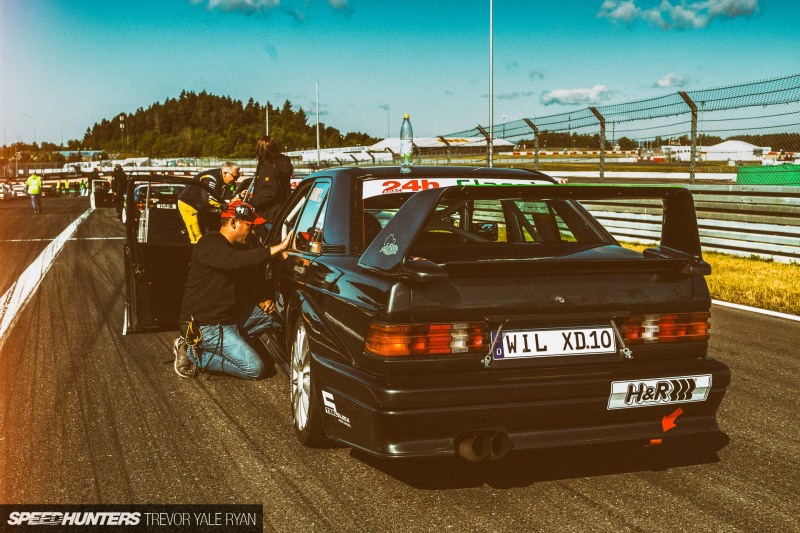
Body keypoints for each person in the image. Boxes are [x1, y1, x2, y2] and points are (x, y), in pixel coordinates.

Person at [173, 199, 293, 379]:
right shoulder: (209, 242)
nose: (253, 231)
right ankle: (192, 353)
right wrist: (277, 248)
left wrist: (264, 296)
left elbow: (250, 277)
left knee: (275, 315)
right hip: (207, 326)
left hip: (229, 317)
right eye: (250, 226)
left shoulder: (237, 248)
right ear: (234, 222)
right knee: (254, 368)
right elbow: (232, 261)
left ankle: (229, 346)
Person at [177, 162, 240, 244]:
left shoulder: (222, 180)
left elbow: (221, 197)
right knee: (196, 238)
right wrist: (224, 206)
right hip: (188, 205)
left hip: (200, 207)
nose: (236, 180)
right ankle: (194, 253)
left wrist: (229, 200)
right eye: (235, 177)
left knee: (206, 231)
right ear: (225, 173)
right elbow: (208, 200)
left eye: (237, 177)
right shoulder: (211, 178)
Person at [249, 136, 294, 223]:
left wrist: (251, 202)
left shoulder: (267, 165)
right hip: (282, 213)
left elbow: (270, 191)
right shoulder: (282, 164)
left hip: (267, 215)